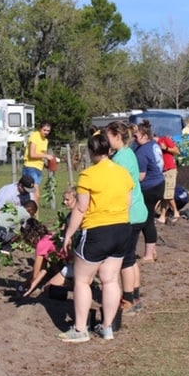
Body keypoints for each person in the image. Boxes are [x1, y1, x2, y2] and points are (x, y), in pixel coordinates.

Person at [56, 129, 133, 342]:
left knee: (82, 280)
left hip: (98, 231)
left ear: (91, 151)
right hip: (122, 230)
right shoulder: (123, 173)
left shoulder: (88, 175)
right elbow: (128, 202)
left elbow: (80, 208)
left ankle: (81, 330)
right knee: (110, 280)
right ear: (109, 149)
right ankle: (107, 327)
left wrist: (68, 235)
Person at [106, 120, 148, 315]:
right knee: (131, 258)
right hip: (139, 212)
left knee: (125, 260)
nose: (107, 140)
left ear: (117, 136)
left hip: (130, 215)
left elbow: (120, 190)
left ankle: (129, 299)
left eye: (108, 136)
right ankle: (136, 295)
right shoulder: (128, 153)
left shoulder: (121, 159)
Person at [133, 120, 165, 262]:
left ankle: (148, 255)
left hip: (149, 187)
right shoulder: (153, 145)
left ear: (145, 136)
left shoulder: (142, 152)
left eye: (136, 136)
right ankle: (152, 251)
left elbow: (141, 176)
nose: (134, 139)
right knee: (149, 218)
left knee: (147, 220)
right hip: (159, 182)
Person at [23, 122, 55, 206]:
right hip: (30, 167)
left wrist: (47, 165)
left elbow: (40, 157)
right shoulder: (34, 136)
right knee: (35, 195)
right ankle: (35, 217)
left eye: (48, 131)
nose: (46, 132)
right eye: (44, 130)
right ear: (40, 129)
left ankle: (32, 216)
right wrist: (46, 155)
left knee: (34, 195)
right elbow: (32, 154)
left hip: (39, 169)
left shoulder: (45, 141)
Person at [155, 133, 181, 224]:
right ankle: (162, 216)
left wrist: (165, 148)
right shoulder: (153, 145)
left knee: (168, 195)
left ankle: (176, 212)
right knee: (163, 194)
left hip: (170, 170)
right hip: (162, 171)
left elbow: (177, 151)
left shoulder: (165, 140)